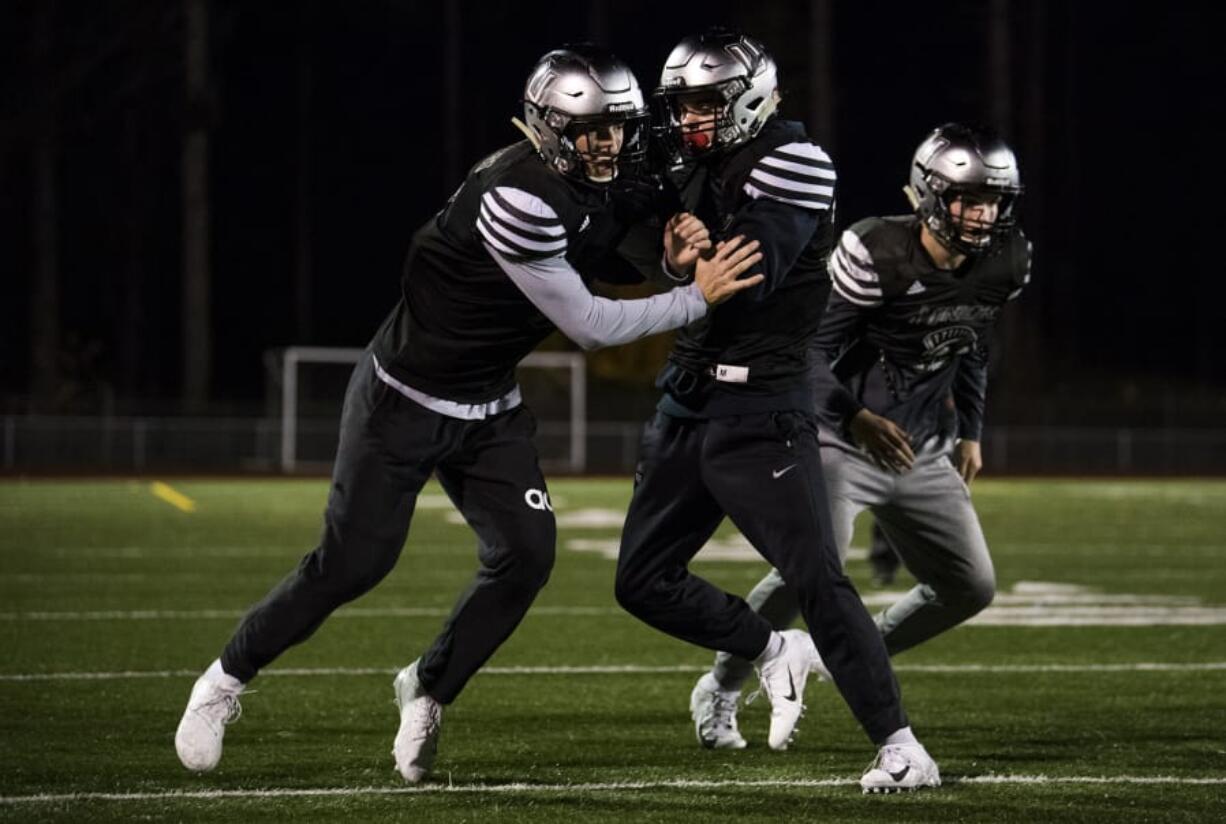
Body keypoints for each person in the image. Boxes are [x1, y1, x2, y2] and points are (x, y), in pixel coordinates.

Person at [174, 45, 763, 784]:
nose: (607, 143)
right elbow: (588, 323)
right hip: (404, 397)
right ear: (548, 129)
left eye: (616, 126)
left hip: (488, 406)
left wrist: (673, 259)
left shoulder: (609, 178)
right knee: (353, 564)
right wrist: (696, 295)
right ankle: (224, 680)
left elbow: (623, 244)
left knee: (527, 554)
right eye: (588, 129)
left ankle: (427, 686)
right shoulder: (517, 195)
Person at [613, 29, 940, 794]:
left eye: (705, 101)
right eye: (683, 103)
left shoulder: (794, 159)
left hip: (760, 407)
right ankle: (772, 649)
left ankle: (901, 747)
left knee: (817, 577)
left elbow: (746, 278)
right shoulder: (691, 162)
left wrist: (684, 252)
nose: (690, 117)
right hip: (688, 398)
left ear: (750, 98)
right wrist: (666, 249)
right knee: (641, 581)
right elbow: (629, 242)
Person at [691, 123, 1030, 781]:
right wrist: (858, 415)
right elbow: (806, 352)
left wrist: (972, 431)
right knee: (806, 570)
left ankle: (836, 653)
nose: (982, 214)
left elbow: (973, 343)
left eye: (993, 200)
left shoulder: (1006, 260)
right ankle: (724, 683)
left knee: (970, 586)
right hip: (841, 439)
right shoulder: (880, 251)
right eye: (968, 198)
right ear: (931, 195)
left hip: (923, 449)